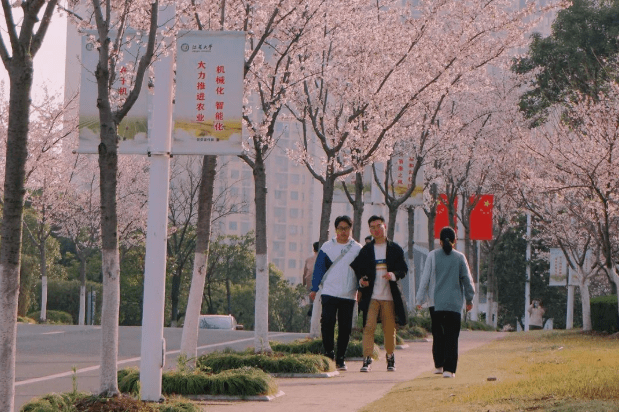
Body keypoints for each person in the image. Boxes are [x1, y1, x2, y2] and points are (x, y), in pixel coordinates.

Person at [351, 215, 408, 372]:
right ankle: (367, 359)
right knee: (368, 327)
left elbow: (404, 270)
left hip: (389, 297)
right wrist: (362, 280)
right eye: (372, 227)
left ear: (385, 226)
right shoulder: (367, 250)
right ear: (369, 229)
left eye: (378, 226)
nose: (376, 230)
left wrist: (393, 275)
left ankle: (390, 358)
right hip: (372, 297)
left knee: (389, 329)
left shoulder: (395, 249)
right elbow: (357, 268)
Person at [416, 226, 475, 378]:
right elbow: (467, 280)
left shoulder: (432, 256)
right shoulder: (460, 257)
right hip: (454, 304)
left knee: (438, 335)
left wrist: (420, 299)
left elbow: (425, 279)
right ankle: (449, 370)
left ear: (440, 241)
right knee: (452, 337)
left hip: (435, 304)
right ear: (454, 241)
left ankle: (439, 365)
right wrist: (469, 299)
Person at [310, 216, 362, 371]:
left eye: (346, 228)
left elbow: (361, 270)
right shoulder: (327, 247)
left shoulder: (357, 249)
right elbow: (319, 268)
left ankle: (341, 358)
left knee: (345, 328)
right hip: (329, 292)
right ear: (335, 229)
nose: (343, 231)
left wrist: (361, 287)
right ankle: (329, 354)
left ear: (351, 229)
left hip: (348, 294)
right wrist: (314, 288)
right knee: (327, 323)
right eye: (340, 228)